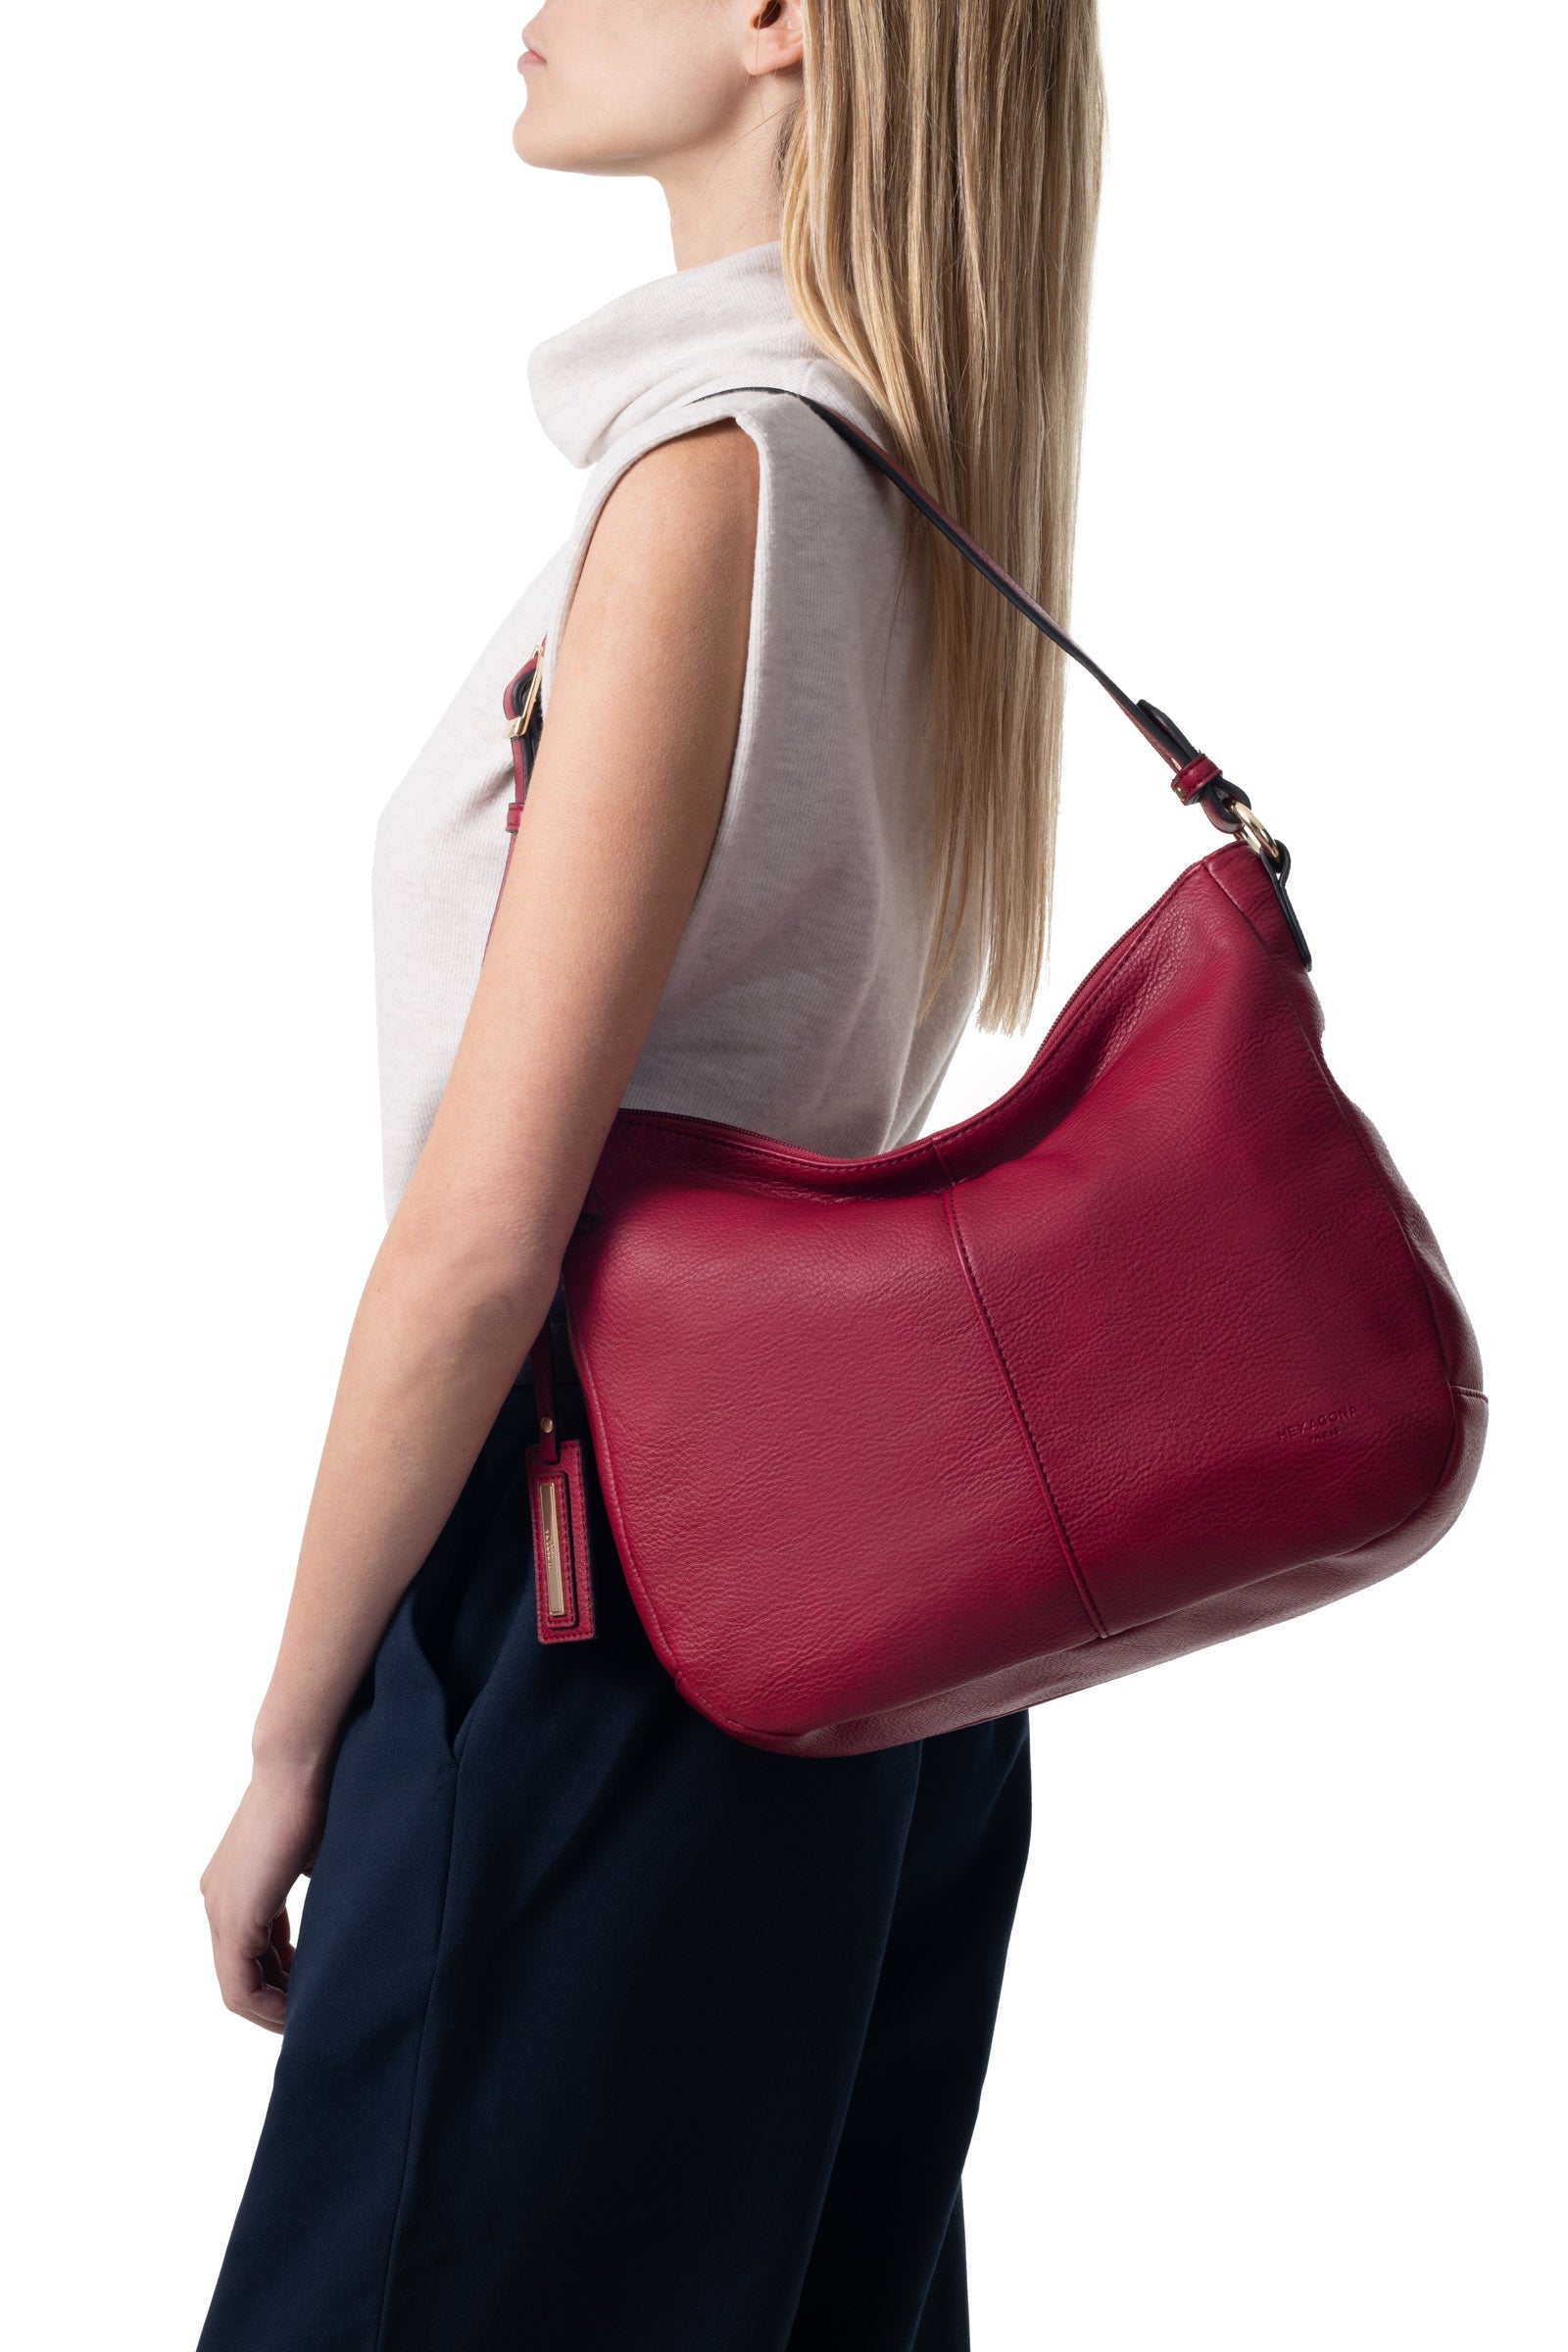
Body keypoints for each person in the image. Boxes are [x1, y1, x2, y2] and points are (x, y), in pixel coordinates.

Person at [196, 4, 1105, 2344]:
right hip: (879, 1621)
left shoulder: (712, 483)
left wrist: (293, 1735)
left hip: (606, 1601)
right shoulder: (915, 492)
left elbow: (485, 1238)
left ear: (782, 22)